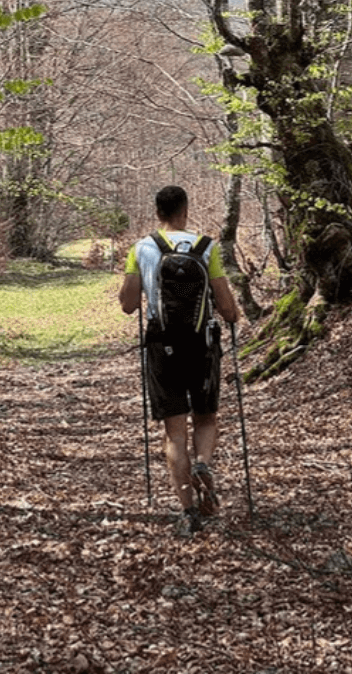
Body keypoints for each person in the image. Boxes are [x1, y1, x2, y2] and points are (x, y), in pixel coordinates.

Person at [119, 185, 241, 535]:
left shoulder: (141, 248)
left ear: (157, 212)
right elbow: (226, 305)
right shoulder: (207, 247)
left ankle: (188, 512)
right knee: (206, 418)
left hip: (163, 345)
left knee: (174, 432)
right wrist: (232, 317)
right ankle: (203, 464)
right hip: (201, 345)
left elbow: (128, 305)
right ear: (185, 210)